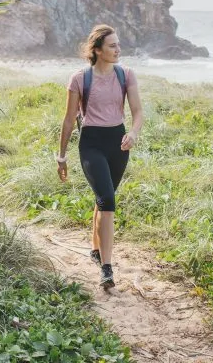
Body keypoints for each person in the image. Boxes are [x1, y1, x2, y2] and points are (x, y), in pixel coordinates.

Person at [57, 25, 144, 289]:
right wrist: (61, 157)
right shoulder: (80, 79)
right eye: (112, 46)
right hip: (91, 144)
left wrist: (133, 133)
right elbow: (69, 120)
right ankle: (107, 268)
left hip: (118, 145)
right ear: (97, 50)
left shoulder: (126, 75)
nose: (118, 49)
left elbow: (138, 111)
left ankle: (96, 249)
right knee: (107, 200)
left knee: (102, 200)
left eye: (118, 45)